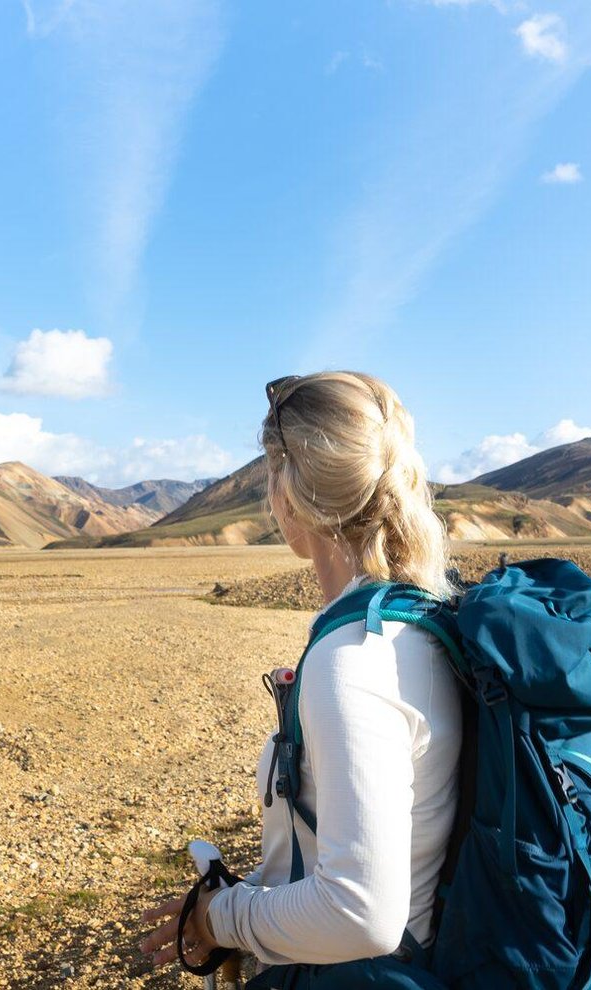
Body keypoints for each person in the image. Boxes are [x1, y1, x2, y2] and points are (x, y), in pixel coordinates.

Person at [139, 370, 462, 977]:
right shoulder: (415, 624)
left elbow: (361, 912)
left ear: (289, 494)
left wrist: (220, 919)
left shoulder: (353, 663)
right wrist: (245, 904)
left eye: (270, 474)